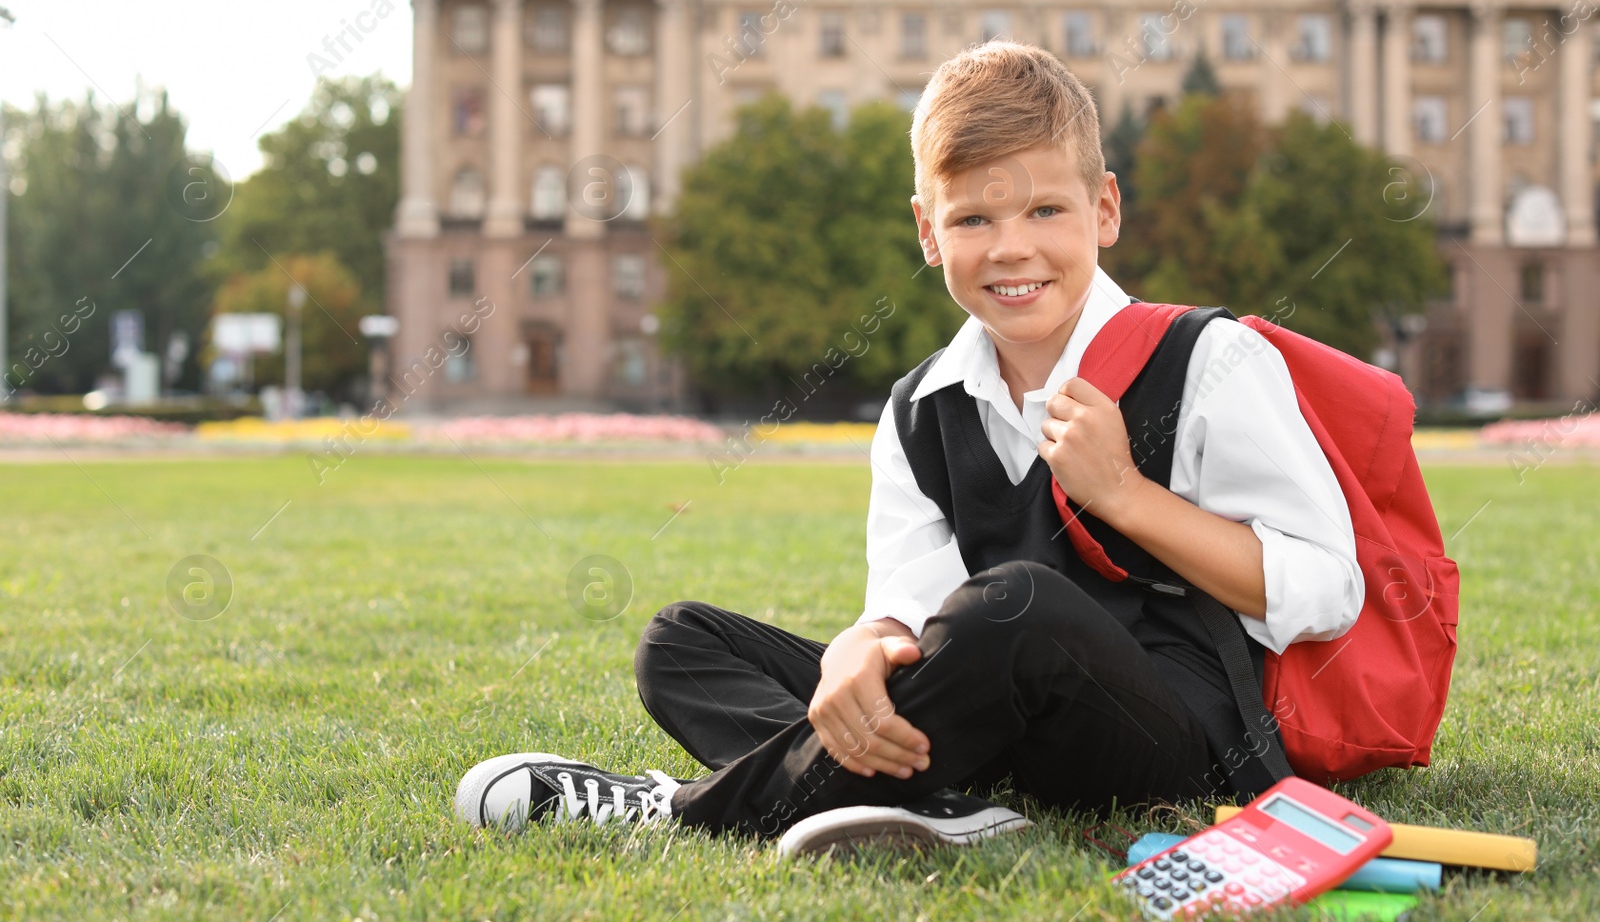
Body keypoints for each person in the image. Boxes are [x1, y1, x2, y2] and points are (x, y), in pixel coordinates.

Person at [454, 41, 1361, 855]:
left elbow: (1329, 587)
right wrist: (867, 638)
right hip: (991, 711)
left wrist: (1126, 493)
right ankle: (938, 807)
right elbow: (913, 603)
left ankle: (683, 811)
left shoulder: (1203, 360)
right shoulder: (922, 406)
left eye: (1047, 209)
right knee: (680, 642)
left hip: (1171, 736)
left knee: (1011, 605)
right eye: (973, 220)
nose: (1013, 250)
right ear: (929, 231)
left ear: (1105, 208)